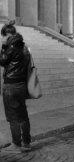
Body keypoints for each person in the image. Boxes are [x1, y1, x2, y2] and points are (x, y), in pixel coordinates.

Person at [0, 20, 31, 153]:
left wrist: (3, 47)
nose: (2, 38)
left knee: (13, 117)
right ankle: (27, 143)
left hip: (11, 86)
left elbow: (2, 61)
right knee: (23, 115)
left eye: (3, 35)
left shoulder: (11, 47)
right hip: (22, 85)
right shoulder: (24, 47)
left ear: (8, 34)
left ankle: (16, 144)